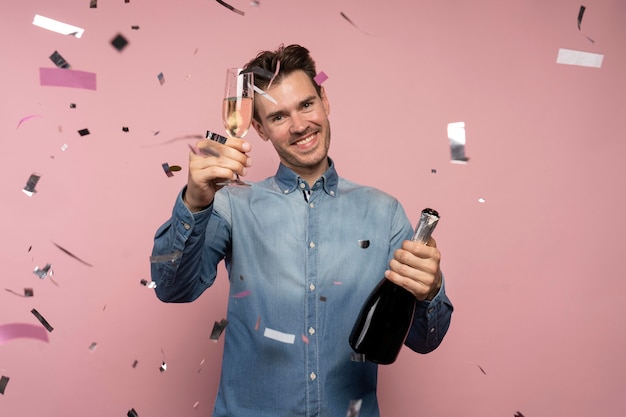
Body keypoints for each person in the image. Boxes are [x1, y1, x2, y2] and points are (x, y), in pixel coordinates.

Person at [151, 44, 453, 417]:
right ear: (258, 128)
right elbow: (171, 288)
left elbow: (426, 340)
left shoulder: (385, 212)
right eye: (278, 117)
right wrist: (195, 201)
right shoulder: (230, 205)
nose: (299, 126)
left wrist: (431, 290)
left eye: (306, 105)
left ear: (324, 100)